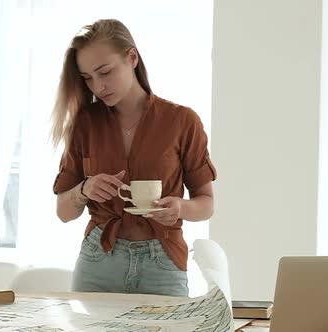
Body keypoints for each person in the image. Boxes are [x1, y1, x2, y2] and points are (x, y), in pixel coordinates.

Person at [51, 19, 217, 297]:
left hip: (162, 262)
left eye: (105, 72)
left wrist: (179, 207)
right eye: (88, 78)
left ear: (132, 58)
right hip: (98, 261)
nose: (98, 87)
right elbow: (64, 212)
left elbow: (207, 204)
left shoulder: (182, 120)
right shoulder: (84, 123)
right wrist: (84, 190)